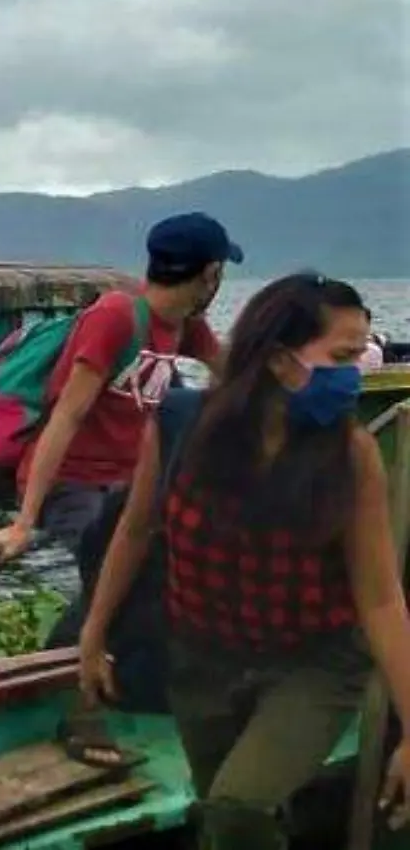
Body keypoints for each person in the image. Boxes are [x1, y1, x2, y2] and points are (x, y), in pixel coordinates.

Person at [77, 273, 410, 849]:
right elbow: (134, 531)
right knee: (224, 817)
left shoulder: (349, 455)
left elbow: (380, 598)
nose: (356, 374)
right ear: (280, 361)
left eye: (361, 355)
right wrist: (93, 631)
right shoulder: (182, 425)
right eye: (342, 357)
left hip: (313, 665)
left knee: (236, 808)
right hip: (202, 660)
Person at [0, 211, 233, 765]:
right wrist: (25, 521)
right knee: (110, 571)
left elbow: (232, 373)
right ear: (210, 274)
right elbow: (66, 417)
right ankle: (69, 702)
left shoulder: (185, 327)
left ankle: (140, 682)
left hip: (127, 481)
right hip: (72, 480)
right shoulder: (117, 316)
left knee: (165, 561)